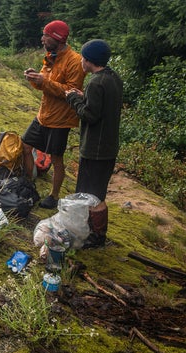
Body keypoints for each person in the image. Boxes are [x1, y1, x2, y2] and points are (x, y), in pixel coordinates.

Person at [65, 39, 123, 248]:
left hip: (95, 149)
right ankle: (92, 232)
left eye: (83, 57)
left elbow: (89, 115)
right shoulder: (112, 77)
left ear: (89, 60)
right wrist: (84, 97)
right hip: (108, 146)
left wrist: (73, 99)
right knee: (95, 191)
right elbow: (102, 105)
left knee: (92, 194)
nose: (81, 60)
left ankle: (96, 237)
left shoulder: (95, 82)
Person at [22, 20, 85, 209]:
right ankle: (28, 184)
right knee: (25, 146)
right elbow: (44, 84)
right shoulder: (51, 56)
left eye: (46, 35)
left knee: (56, 159)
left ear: (57, 38)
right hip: (44, 115)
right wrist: (34, 78)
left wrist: (44, 81)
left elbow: (72, 91)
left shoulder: (75, 61)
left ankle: (54, 196)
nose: (42, 39)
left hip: (61, 120)